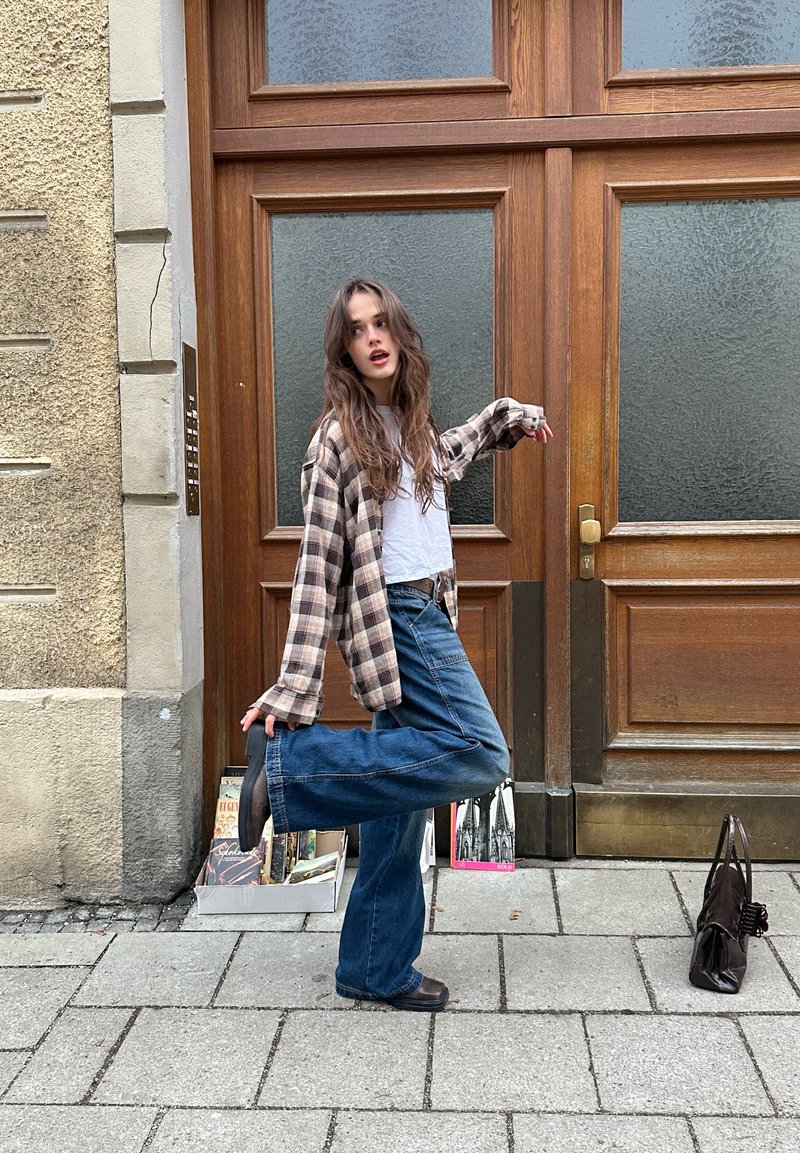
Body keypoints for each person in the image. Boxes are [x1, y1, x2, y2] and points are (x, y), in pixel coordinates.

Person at [239, 277, 553, 1011]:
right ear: (343, 350)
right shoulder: (337, 442)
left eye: (382, 324)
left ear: (399, 335)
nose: (373, 337)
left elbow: (450, 455)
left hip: (426, 614)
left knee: (395, 806)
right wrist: (293, 689)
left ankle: (374, 968)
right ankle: (287, 774)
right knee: (483, 754)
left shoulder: (407, 425)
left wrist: (506, 418)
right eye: (357, 329)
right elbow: (316, 569)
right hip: (401, 622)